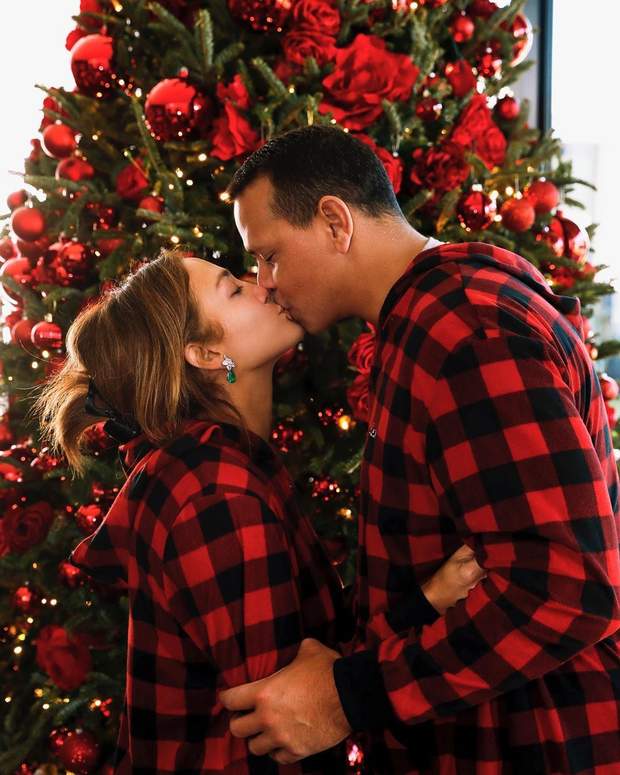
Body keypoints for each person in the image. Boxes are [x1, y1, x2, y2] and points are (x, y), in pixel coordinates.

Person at [219, 125, 620, 774]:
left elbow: (566, 586)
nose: (263, 282)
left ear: (334, 222)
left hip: (533, 740)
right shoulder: (435, 311)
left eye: (269, 255)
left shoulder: (465, 329)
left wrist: (350, 695)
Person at [33, 249, 485, 774]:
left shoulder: (223, 463)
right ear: (205, 353)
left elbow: (309, 653)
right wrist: (426, 605)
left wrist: (425, 600)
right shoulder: (213, 490)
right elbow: (285, 711)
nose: (263, 285)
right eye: (234, 288)